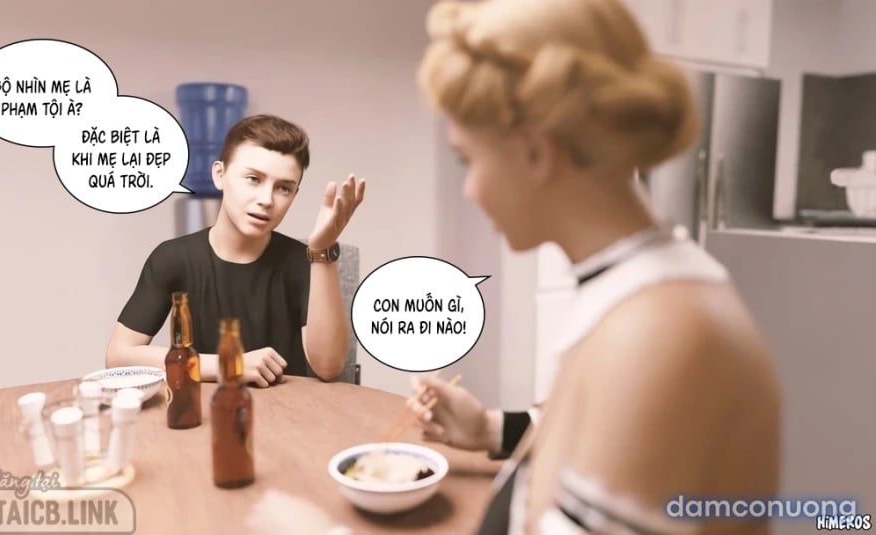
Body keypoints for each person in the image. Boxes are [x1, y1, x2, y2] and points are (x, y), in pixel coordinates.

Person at [249, 0, 780, 533]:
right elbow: (599, 434)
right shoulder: (630, 286)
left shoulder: (659, 333)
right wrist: (491, 429)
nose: (470, 189)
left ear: (534, 152)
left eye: (469, 159)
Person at [106, 114, 366, 387]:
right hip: (206, 407)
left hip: (289, 408)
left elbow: (329, 367)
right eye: (253, 179)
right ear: (220, 175)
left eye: (283, 188)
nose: (266, 200)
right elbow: (118, 357)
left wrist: (322, 251)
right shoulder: (173, 258)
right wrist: (229, 365)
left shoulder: (303, 261)